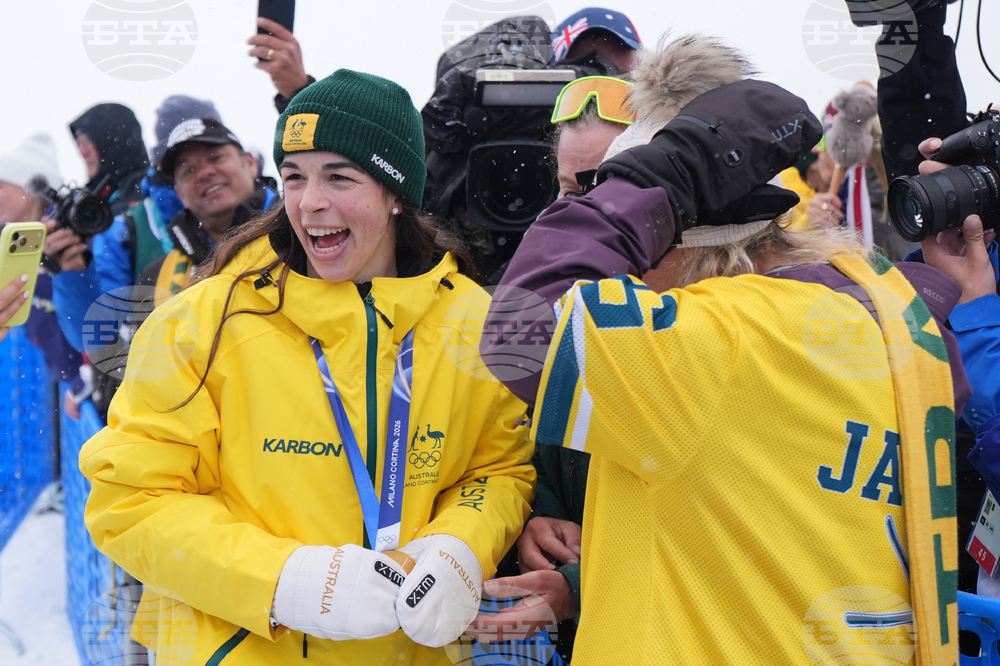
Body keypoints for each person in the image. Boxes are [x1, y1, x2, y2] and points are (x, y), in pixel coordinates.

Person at [476, 35, 967, 664]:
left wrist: (661, 173)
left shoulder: (716, 340)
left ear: (666, 235)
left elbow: (519, 329)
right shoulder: (885, 311)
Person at [79, 69, 535, 665]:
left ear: (397, 193)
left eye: (339, 177)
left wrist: (460, 549)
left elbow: (498, 469)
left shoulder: (474, 322)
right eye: (293, 176)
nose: (309, 202)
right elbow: (130, 501)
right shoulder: (202, 321)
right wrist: (286, 581)